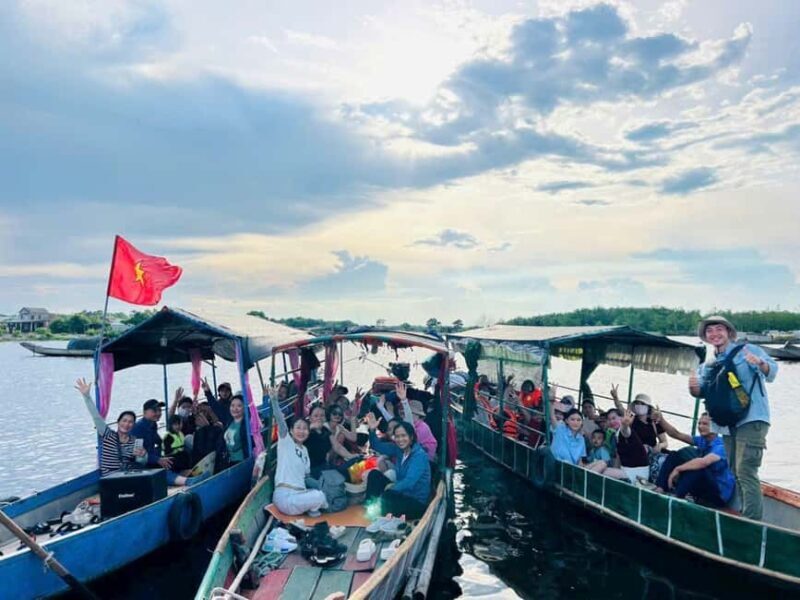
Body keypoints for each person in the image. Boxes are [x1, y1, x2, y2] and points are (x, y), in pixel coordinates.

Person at [690, 315, 778, 520]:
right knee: (734, 470)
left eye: (719, 329)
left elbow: (772, 371)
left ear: (729, 332)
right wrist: (693, 389)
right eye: (710, 331)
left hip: (752, 418)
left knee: (746, 469)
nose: (715, 334)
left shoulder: (748, 350)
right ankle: (746, 513)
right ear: (706, 337)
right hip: (726, 424)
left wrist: (761, 363)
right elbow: (701, 391)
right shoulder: (708, 364)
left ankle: (752, 522)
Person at [655, 412, 735, 507]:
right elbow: (676, 434)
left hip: (718, 494)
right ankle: (660, 488)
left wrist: (678, 469)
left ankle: (676, 497)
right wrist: (661, 419)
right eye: (699, 423)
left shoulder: (721, 446)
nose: (700, 426)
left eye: (705, 424)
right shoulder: (702, 440)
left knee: (698, 468)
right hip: (704, 486)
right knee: (674, 455)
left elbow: (704, 462)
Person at [269, 387, 327, 516]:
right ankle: (312, 508)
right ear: (291, 431)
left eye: (305, 429)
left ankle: (311, 507)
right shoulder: (286, 443)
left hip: (300, 494)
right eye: (298, 428)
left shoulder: (304, 450)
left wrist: (321, 485)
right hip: (285, 497)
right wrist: (274, 401)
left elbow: (306, 477)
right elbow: (281, 423)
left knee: (321, 494)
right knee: (319, 498)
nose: (302, 431)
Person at [364, 414, 431, 519]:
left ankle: (380, 511)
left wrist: (391, 488)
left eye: (404, 436)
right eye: (397, 436)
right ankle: (370, 507)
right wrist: (372, 430)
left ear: (411, 437)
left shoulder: (419, 456)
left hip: (416, 502)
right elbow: (376, 445)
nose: (400, 440)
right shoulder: (397, 449)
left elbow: (409, 481)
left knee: (388, 496)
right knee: (374, 475)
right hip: (402, 494)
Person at [75, 378, 145, 475]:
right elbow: (96, 417)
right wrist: (87, 397)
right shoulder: (108, 434)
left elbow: (141, 463)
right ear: (118, 422)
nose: (126, 424)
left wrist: (143, 455)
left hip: (127, 475)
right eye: (124, 421)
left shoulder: (134, 441)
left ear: (133, 425)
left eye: (130, 422)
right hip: (110, 477)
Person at [131, 398, 208, 486]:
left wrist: (169, 450)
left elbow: (159, 441)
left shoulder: (152, 424)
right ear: (145, 412)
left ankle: (189, 473)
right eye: (154, 411)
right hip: (141, 462)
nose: (158, 413)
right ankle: (187, 481)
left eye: (159, 410)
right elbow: (138, 455)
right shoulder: (138, 428)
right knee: (162, 468)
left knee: (179, 455)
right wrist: (158, 459)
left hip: (152, 456)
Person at [396, 382, 438, 461]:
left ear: (418, 415)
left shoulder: (423, 427)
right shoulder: (409, 425)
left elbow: (410, 440)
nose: (406, 415)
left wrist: (404, 401)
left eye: (411, 413)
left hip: (426, 458)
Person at [223, 394, 250, 465]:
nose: (235, 409)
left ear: (244, 408)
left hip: (240, 462)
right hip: (228, 459)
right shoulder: (229, 422)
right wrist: (207, 392)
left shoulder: (247, 425)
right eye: (232, 406)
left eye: (239, 406)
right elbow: (217, 409)